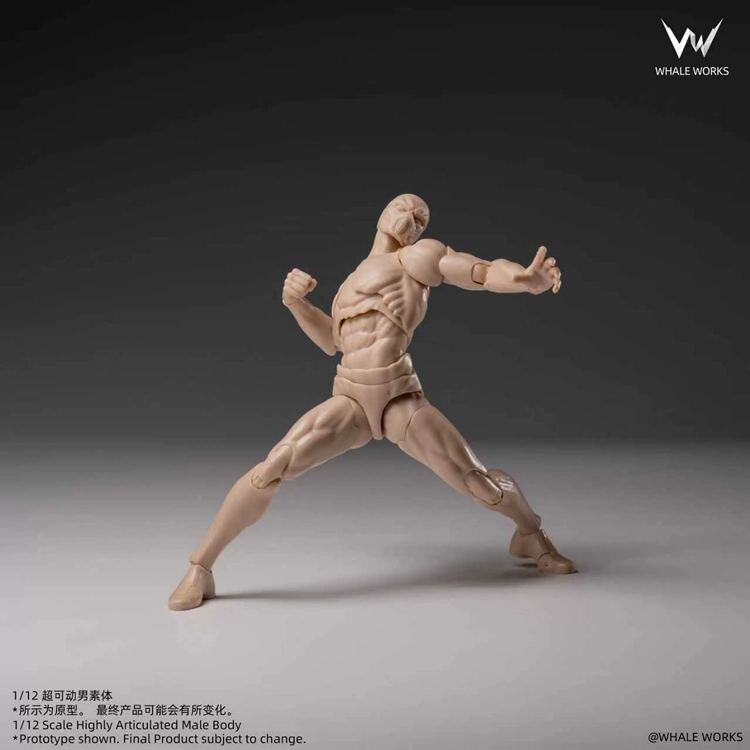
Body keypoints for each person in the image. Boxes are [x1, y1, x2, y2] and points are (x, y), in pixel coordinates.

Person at [168, 194, 574, 611]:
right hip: (352, 399)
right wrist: (296, 304)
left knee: (478, 482)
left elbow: (480, 272)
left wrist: (523, 279)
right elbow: (333, 341)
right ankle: (201, 567)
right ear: (382, 213)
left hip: (399, 398)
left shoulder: (416, 258)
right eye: (403, 207)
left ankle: (530, 533)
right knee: (273, 466)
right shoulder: (349, 283)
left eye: (420, 218)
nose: (411, 218)